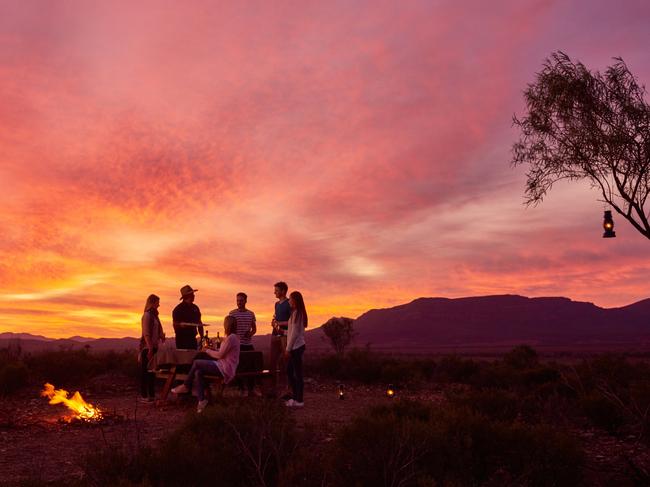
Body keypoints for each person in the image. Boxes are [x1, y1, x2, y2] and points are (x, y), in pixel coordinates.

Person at [171, 315, 240, 413]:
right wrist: (212, 349)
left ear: (227, 325)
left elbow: (220, 355)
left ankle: (186, 385)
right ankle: (201, 400)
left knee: (196, 362)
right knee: (199, 372)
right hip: (223, 366)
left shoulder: (231, 338)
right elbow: (223, 351)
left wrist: (207, 351)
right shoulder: (232, 337)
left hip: (225, 369)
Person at [229, 292, 258, 396]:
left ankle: (251, 389)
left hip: (248, 344)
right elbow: (228, 329)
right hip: (236, 345)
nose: (239, 302)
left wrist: (250, 333)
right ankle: (241, 389)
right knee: (238, 367)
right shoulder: (232, 313)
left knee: (252, 366)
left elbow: (254, 329)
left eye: (241, 300)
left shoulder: (251, 314)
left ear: (246, 301)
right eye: (237, 300)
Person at [139, 294, 165, 403]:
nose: (159, 305)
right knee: (145, 372)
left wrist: (161, 336)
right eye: (157, 302)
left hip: (153, 347)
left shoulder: (155, 316)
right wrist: (149, 348)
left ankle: (151, 395)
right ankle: (144, 396)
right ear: (152, 302)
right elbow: (146, 334)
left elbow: (154, 332)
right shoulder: (147, 315)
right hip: (147, 348)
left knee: (151, 372)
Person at [285, 291, 307, 407]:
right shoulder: (296, 313)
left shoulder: (298, 313)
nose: (289, 300)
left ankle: (299, 400)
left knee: (297, 374)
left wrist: (288, 349)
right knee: (290, 371)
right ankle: (295, 396)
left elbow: (294, 334)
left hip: (296, 348)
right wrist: (282, 331)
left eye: (290, 299)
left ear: (295, 300)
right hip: (295, 347)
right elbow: (292, 331)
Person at [269, 281, 291, 398]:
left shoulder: (289, 303)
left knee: (284, 363)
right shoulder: (276, 304)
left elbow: (292, 321)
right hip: (274, 335)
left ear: (283, 291)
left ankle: (286, 389)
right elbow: (276, 317)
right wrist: (274, 323)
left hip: (285, 336)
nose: (274, 293)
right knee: (272, 362)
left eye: (276, 290)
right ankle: (273, 389)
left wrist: (280, 323)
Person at [172, 284, 204, 349]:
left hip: (192, 339)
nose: (194, 296)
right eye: (192, 294)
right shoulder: (178, 309)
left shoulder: (195, 308)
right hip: (181, 340)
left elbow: (199, 323)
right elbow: (175, 324)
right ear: (188, 296)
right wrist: (181, 325)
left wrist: (202, 337)